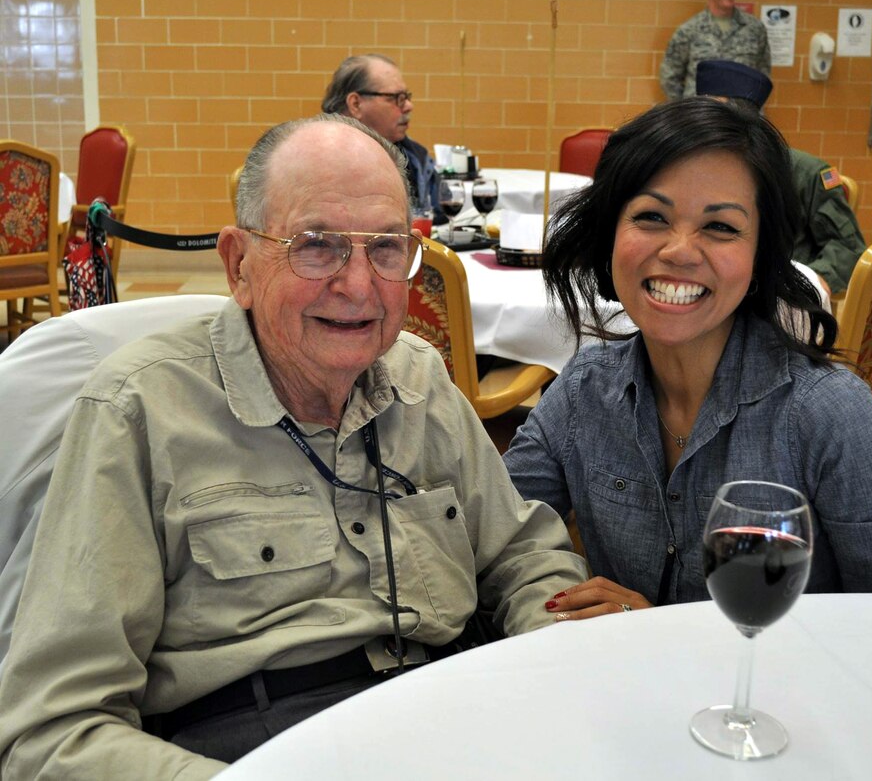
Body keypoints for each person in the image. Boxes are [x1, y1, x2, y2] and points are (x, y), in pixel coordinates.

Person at [0, 114, 587, 777]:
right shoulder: (139, 411)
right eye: (317, 246)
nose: (360, 285)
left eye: (386, 248)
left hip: (449, 714)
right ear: (238, 263)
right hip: (247, 746)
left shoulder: (420, 376)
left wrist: (555, 669)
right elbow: (52, 731)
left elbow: (525, 560)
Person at [502, 98, 872, 621]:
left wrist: (655, 631)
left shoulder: (829, 416)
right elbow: (500, 536)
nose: (680, 250)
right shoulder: (584, 390)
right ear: (609, 239)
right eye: (651, 216)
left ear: (761, 257)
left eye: (720, 227)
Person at [696, 59, 866, 295]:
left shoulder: (806, 172)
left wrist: (808, 282)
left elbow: (848, 247)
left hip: (780, 295)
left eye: (711, 111)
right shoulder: (693, 170)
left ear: (742, 117)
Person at [322, 53, 440, 219]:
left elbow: (440, 213)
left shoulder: (415, 158)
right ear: (356, 104)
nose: (408, 106)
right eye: (396, 98)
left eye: (406, 97)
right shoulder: (317, 161)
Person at [659, 0, 771, 100]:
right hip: (702, 117)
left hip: (741, 116)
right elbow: (669, 76)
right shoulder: (689, 30)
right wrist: (686, 110)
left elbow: (763, 74)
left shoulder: (755, 28)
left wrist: (751, 107)